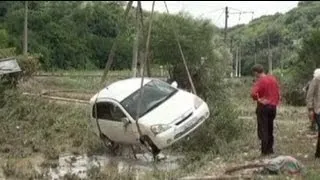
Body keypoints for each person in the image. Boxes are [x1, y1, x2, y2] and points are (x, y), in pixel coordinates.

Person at [251, 64, 280, 156]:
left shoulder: (260, 81)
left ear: (256, 72)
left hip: (264, 106)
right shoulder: (273, 79)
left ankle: (264, 150)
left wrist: (258, 99)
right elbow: (278, 92)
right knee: (270, 127)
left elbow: (253, 93)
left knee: (263, 128)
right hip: (273, 106)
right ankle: (270, 149)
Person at [306, 68, 320, 158]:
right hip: (318, 109)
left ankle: (318, 153)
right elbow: (309, 96)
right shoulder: (315, 81)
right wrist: (310, 109)